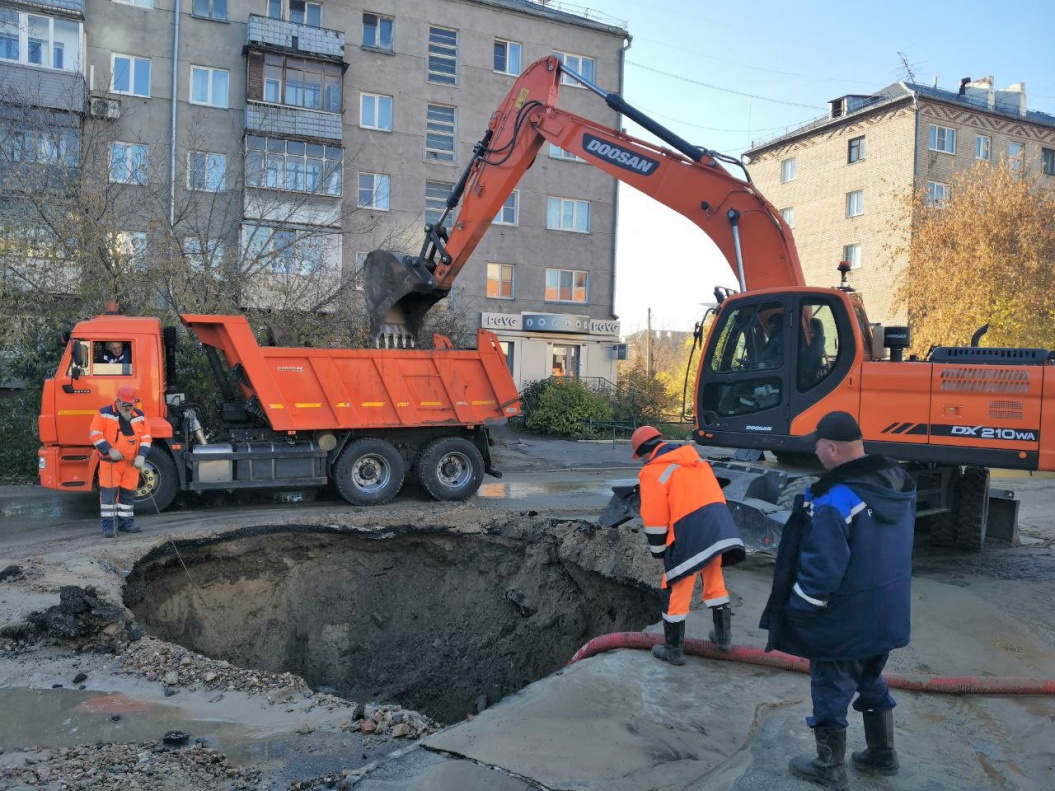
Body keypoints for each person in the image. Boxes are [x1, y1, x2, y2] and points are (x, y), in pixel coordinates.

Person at [759, 411, 916, 789]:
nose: (815, 453)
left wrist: (800, 611)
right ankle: (882, 754)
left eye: (817, 446)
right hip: (886, 614)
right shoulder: (895, 485)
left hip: (845, 619)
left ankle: (829, 767)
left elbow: (822, 569)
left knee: (831, 685)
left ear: (831, 448)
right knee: (870, 676)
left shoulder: (836, 499)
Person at [630, 425, 746, 665]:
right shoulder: (694, 460)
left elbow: (655, 518)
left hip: (689, 532)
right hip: (718, 528)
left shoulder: (653, 470)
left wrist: (659, 551)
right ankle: (723, 639)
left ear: (644, 453)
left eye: (641, 457)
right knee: (715, 581)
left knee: (675, 588)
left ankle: (673, 650)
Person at [88, 385, 152, 538]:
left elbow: (146, 437)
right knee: (109, 497)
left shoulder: (140, 416)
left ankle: (126, 524)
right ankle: (109, 528)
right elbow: (95, 435)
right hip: (110, 463)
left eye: (131, 404)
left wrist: (142, 455)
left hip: (131, 464)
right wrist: (110, 450)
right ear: (117, 401)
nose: (128, 407)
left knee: (128, 495)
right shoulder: (103, 414)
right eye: (125, 404)